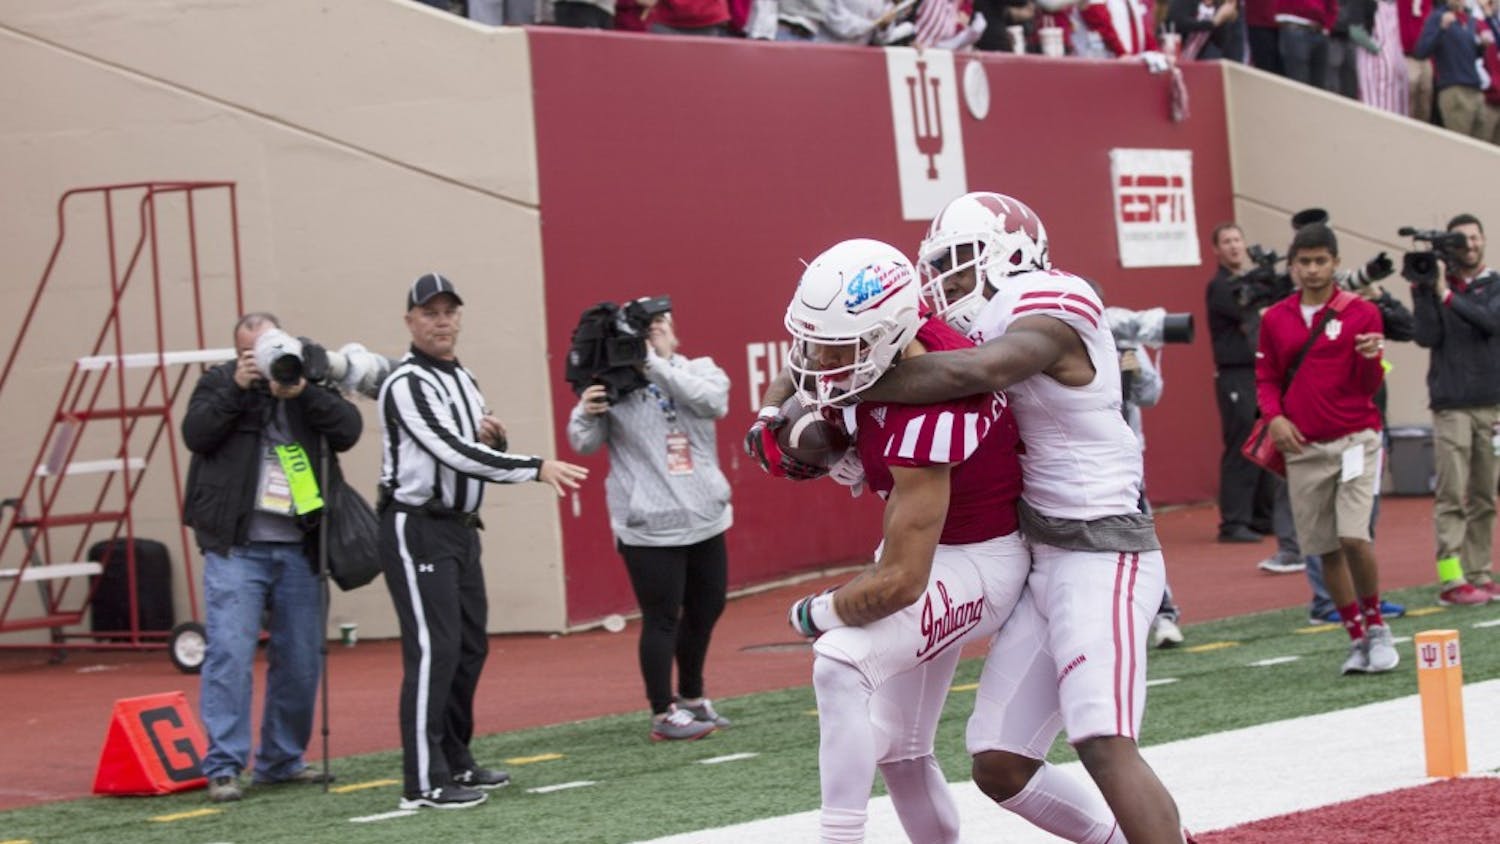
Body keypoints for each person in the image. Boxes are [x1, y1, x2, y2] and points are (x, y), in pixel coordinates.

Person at [862, 192, 1188, 843]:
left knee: (1102, 740)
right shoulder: (983, 315)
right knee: (1000, 762)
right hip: (1044, 554)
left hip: (1104, 552)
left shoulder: (1048, 295)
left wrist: (852, 379)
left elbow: (983, 369)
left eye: (956, 265)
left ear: (1008, 254)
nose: (945, 284)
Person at [761, 238, 1036, 844]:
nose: (817, 363)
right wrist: (771, 407)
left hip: (973, 563)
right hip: (931, 551)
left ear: (886, 339)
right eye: (817, 342)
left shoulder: (932, 409)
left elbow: (901, 583)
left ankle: (840, 838)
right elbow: (810, 352)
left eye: (837, 348)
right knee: (903, 750)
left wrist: (812, 613)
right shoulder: (890, 329)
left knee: (838, 662)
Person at [377, 273, 589, 809]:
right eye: (430, 312)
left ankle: (456, 761)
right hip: (418, 526)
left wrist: (497, 438)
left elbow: (474, 444)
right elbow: (451, 452)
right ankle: (422, 783)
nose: (442, 320)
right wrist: (533, 466)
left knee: (469, 646)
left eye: (449, 311)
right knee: (433, 651)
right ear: (410, 321)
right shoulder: (406, 383)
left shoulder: (462, 377)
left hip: (460, 530)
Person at [183, 312, 362, 803]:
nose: (265, 359)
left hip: (300, 542)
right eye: (252, 352)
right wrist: (238, 390)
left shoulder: (306, 377)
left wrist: (303, 390)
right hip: (237, 546)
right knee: (229, 654)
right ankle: (223, 766)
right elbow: (196, 435)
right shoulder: (218, 383)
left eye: (270, 348)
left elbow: (349, 430)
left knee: (302, 658)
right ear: (237, 353)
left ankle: (282, 760)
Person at [566, 298, 736, 742]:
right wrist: (588, 407)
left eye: (662, 325)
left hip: (705, 514)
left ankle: (693, 697)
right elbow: (582, 442)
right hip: (649, 525)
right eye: (647, 329)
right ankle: (663, 711)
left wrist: (654, 365)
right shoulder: (615, 385)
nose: (655, 333)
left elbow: (712, 402)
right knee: (661, 618)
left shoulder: (699, 369)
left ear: (675, 333)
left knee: (707, 606)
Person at [1255, 223, 1399, 675]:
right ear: (1293, 266)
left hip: (1357, 439)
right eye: (1305, 262)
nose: (1313, 270)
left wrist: (1371, 358)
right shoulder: (1275, 318)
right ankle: (1356, 638)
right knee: (1323, 548)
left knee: (1354, 535)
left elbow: (1368, 387)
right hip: (1303, 449)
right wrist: (1274, 418)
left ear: (1336, 263)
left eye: (1321, 261)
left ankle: (1378, 628)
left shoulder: (1362, 313)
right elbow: (1267, 378)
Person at [1411, 214, 1500, 606]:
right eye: (1461, 240)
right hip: (1451, 406)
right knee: (1451, 494)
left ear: (1483, 241)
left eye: (1474, 238)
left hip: (1490, 404)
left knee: (1484, 496)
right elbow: (1426, 336)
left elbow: (1490, 321)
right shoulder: (1434, 283)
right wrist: (1426, 293)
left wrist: (1448, 295)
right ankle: (1451, 578)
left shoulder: (1494, 285)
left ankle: (1480, 573)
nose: (1469, 245)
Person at [1204, 223, 1282, 547]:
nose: (1234, 246)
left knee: (1266, 445)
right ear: (1216, 250)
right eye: (1227, 241)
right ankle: (1233, 522)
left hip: (1258, 373)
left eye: (1238, 240)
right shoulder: (1221, 286)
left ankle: (1262, 517)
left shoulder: (1250, 283)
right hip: (1235, 374)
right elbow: (1249, 314)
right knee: (1241, 445)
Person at [1413, 0, 1495, 139]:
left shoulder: (1469, 20)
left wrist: (1482, 46)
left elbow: (1467, 53)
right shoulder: (1438, 16)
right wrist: (1441, 27)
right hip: (1454, 91)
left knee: (1482, 147)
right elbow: (1421, 51)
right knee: (1461, 146)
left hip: (1476, 91)